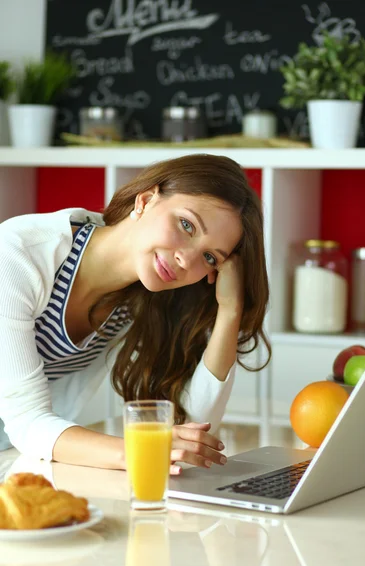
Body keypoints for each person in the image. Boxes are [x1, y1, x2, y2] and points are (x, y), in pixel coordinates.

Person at [0, 153, 270, 473]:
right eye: (186, 225)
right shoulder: (15, 255)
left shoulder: (138, 300)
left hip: (13, 454)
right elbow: (28, 421)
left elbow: (192, 425)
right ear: (146, 199)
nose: (187, 259)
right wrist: (143, 448)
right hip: (22, 443)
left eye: (210, 257)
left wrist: (230, 310)